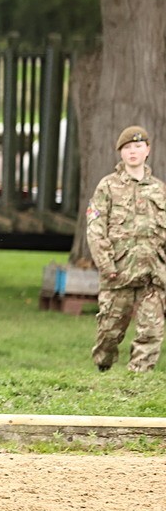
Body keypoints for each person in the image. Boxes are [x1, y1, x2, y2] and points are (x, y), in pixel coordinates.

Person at [86, 125, 166, 373]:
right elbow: (95, 227)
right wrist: (106, 264)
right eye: (127, 148)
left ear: (147, 150)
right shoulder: (107, 187)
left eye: (138, 147)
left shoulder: (159, 189)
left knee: (151, 330)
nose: (133, 152)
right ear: (120, 153)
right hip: (118, 272)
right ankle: (104, 365)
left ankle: (139, 379)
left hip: (153, 274)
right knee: (110, 331)